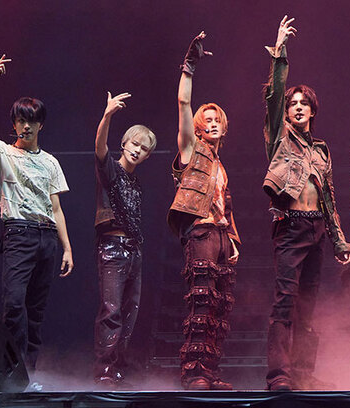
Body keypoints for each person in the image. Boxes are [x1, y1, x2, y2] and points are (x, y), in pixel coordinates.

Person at [262, 16, 350, 391]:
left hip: (317, 229)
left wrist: (339, 239)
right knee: (285, 303)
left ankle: (301, 373)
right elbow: (274, 97)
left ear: (313, 110)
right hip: (291, 226)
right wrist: (280, 53)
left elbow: (329, 197)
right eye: (293, 104)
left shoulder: (321, 149)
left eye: (304, 104)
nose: (297, 107)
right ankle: (279, 376)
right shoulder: (279, 138)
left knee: (308, 306)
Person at [0, 55, 74, 373]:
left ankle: (28, 373)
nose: (26, 126)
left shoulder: (51, 162)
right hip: (18, 233)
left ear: (41, 124)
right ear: (14, 123)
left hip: (47, 237)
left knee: (36, 310)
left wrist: (67, 248)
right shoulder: (4, 153)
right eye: (20, 120)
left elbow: (56, 208)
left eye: (31, 121)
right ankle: (14, 373)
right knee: (14, 304)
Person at [167, 32, 241, 390]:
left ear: (224, 127)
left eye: (216, 119)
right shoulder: (190, 151)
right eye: (206, 119)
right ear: (198, 127)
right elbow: (183, 103)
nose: (211, 123)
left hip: (222, 235)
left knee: (219, 307)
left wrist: (234, 239)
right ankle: (194, 372)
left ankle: (211, 371)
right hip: (200, 232)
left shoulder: (220, 165)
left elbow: (226, 204)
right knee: (201, 300)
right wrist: (189, 67)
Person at [93, 91, 156, 386]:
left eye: (144, 148)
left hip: (134, 250)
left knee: (130, 313)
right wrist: (107, 115)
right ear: (125, 143)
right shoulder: (111, 171)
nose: (137, 150)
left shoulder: (136, 182)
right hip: (112, 248)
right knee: (112, 310)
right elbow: (100, 148)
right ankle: (104, 372)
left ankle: (119, 369)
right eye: (135, 144)